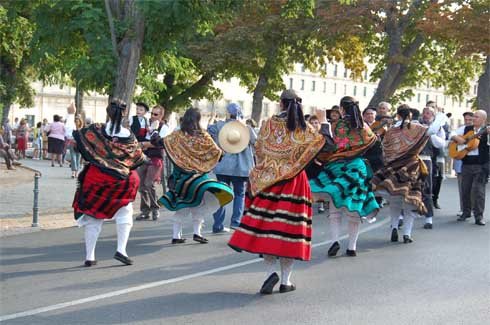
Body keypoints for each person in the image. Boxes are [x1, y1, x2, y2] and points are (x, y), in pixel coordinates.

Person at [228, 89, 326, 294]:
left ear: (281, 103)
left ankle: (269, 274)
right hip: (294, 183)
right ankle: (285, 281)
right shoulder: (304, 128)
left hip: (268, 181)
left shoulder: (268, 124)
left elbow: (260, 149)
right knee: (289, 231)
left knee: (268, 230)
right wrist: (324, 123)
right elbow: (320, 145)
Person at [72, 99, 146, 266]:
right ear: (125, 113)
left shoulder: (96, 130)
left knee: (93, 216)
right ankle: (121, 250)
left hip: (97, 179)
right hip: (122, 182)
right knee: (125, 213)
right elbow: (137, 157)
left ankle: (89, 256)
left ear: (107, 112)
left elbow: (81, 143)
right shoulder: (128, 135)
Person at [309, 96, 379, 258]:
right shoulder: (365, 127)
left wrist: (324, 125)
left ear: (341, 109)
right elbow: (374, 145)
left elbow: (329, 145)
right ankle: (352, 247)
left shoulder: (338, 125)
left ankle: (335, 241)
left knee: (335, 205)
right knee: (354, 207)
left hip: (337, 166)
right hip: (357, 168)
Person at [151, 107, 234, 244]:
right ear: (198, 120)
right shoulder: (203, 136)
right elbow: (218, 154)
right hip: (198, 178)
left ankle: (176, 235)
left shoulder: (177, 136)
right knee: (198, 203)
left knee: (182, 205)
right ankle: (197, 233)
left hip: (181, 178)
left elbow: (157, 142)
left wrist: (154, 129)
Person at [372, 105, 429, 243]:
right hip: (411, 166)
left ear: (397, 115)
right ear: (410, 115)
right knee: (410, 200)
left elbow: (385, 149)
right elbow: (429, 133)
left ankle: (394, 227)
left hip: (393, 167)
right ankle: (407, 234)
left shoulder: (391, 131)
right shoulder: (417, 128)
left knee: (394, 200)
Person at [207, 103, 257, 233]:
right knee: (239, 194)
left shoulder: (219, 126)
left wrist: (212, 119)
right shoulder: (246, 128)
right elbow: (256, 142)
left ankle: (218, 224)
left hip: (222, 166)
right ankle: (236, 222)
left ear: (228, 113)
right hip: (241, 168)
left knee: (220, 194)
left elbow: (208, 131)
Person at [452, 110, 489, 226]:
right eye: (473, 116)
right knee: (465, 189)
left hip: (481, 165)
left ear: (484, 120)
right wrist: (459, 139)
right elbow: (452, 134)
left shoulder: (487, 131)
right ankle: (466, 212)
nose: (473, 119)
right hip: (466, 163)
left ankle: (479, 216)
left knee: (478, 191)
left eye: (476, 117)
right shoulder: (466, 129)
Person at [135, 105, 170, 221]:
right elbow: (142, 138)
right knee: (141, 185)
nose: (153, 116)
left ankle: (155, 208)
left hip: (156, 158)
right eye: (152, 114)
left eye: (156, 114)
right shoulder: (146, 124)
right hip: (144, 156)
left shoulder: (164, 127)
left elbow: (159, 143)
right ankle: (145, 211)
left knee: (149, 183)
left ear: (161, 116)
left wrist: (145, 144)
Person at [419, 106, 446, 229]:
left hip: (426, 159)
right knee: (407, 187)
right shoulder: (415, 124)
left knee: (427, 188)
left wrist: (431, 132)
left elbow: (440, 144)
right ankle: (402, 217)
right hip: (412, 158)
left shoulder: (438, 128)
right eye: (425, 113)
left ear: (433, 116)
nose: (426, 115)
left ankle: (429, 218)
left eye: (429, 113)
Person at [452, 112, 474, 217]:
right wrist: (456, 138)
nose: (468, 121)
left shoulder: (476, 131)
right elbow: (451, 137)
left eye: (470, 119)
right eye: (466, 120)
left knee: (474, 188)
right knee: (462, 187)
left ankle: (473, 208)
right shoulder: (460, 130)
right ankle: (463, 208)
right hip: (461, 162)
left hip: (474, 163)